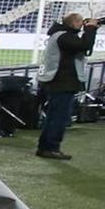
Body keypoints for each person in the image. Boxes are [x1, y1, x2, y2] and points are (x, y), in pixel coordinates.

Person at [36, 12, 98, 159]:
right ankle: (51, 148)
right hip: (62, 82)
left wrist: (91, 28)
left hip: (58, 81)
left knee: (54, 116)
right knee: (59, 117)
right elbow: (85, 45)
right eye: (80, 22)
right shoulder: (64, 36)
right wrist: (90, 29)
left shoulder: (60, 34)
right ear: (73, 23)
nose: (82, 25)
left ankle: (45, 147)